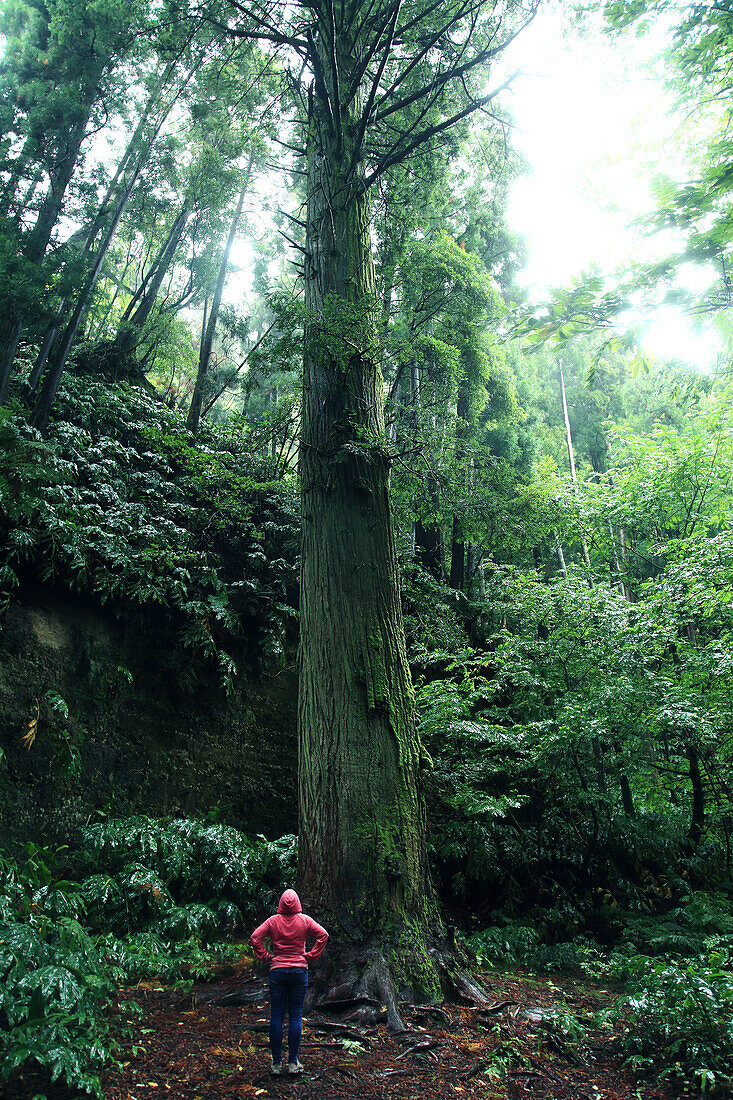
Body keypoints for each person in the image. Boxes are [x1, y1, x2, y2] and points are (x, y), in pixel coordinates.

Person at [250, 889, 329, 1076]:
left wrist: (265, 956)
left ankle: (276, 1063)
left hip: (277, 971)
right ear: (298, 904)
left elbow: (255, 937)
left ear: (280, 904)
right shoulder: (305, 921)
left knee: (276, 1016)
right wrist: (311, 955)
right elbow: (323, 935)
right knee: (295, 1016)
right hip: (299, 971)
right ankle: (293, 1063)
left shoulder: (273, 921)